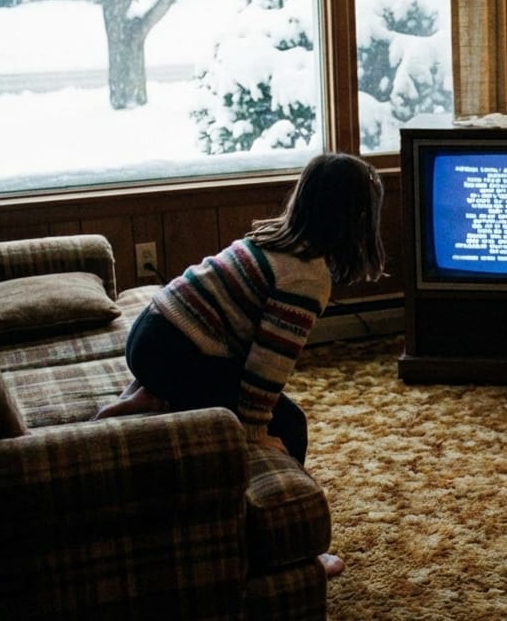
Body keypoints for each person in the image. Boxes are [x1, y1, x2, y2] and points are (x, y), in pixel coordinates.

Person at [92, 152, 385, 578]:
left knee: (235, 392)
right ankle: (299, 550)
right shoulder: (304, 276)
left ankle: (155, 395)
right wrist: (253, 430)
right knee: (290, 424)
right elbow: (268, 364)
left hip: (151, 334)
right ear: (355, 220)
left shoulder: (275, 238)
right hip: (174, 351)